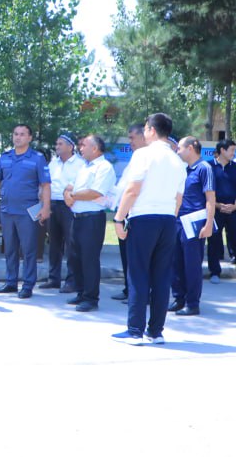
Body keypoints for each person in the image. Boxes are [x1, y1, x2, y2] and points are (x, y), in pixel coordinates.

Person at [111, 113, 185, 345]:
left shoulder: (143, 154)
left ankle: (135, 330)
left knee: (138, 273)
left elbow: (132, 189)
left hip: (144, 218)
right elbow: (178, 198)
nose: (144, 133)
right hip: (168, 220)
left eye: (145, 129)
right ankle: (156, 331)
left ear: (152, 130)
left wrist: (119, 219)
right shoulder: (177, 160)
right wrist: (169, 218)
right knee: (161, 276)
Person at [0, 124, 51, 299]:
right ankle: (11, 282)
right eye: (15, 134)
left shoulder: (37, 158)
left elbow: (45, 185)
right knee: (10, 248)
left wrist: (45, 207)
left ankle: (28, 285)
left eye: (22, 134)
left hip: (28, 211)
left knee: (28, 250)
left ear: (29, 138)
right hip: (7, 210)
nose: (18, 137)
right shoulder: (5, 157)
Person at [63, 134, 116, 311]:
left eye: (84, 145)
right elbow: (70, 186)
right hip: (77, 217)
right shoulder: (83, 167)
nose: (81, 148)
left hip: (92, 219)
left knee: (89, 259)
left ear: (95, 148)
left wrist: (72, 195)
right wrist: (67, 194)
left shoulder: (104, 167)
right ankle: (81, 292)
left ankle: (91, 298)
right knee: (75, 258)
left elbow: (95, 192)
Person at [171, 137, 215, 316]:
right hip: (178, 222)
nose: (177, 151)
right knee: (176, 263)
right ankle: (179, 298)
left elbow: (210, 198)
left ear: (190, 148)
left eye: (179, 148)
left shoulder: (204, 168)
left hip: (194, 223)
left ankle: (192, 303)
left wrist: (209, 224)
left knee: (192, 265)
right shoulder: (184, 169)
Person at [110, 123, 147, 301]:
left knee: (137, 256)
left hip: (138, 213)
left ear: (143, 136)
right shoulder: (134, 159)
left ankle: (140, 293)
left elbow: (134, 189)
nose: (130, 142)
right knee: (126, 254)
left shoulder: (147, 158)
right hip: (125, 212)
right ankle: (129, 288)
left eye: (132, 138)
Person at [44, 133, 85, 291]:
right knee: (54, 243)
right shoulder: (53, 163)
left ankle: (72, 280)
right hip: (53, 204)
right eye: (57, 144)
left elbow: (80, 184)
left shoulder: (80, 164)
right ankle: (53, 278)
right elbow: (47, 183)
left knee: (71, 243)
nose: (57, 147)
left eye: (60, 144)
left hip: (70, 205)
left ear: (70, 146)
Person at [207, 139, 236, 283]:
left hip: (234, 210)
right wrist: (218, 205)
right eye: (231, 150)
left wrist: (235, 205)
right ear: (222, 150)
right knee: (214, 241)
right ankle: (214, 272)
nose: (234, 153)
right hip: (215, 210)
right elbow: (205, 191)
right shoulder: (208, 166)